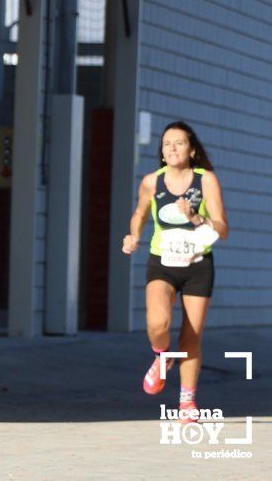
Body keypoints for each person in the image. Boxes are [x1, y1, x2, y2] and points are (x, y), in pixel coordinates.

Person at [122, 121, 228, 423]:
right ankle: (161, 356)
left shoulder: (205, 180)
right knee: (157, 323)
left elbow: (223, 228)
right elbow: (140, 214)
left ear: (191, 149)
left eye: (179, 143)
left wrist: (194, 216)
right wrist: (134, 236)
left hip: (197, 265)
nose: (172, 148)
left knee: (191, 337)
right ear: (162, 151)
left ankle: (186, 403)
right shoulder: (151, 182)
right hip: (163, 262)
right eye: (167, 143)